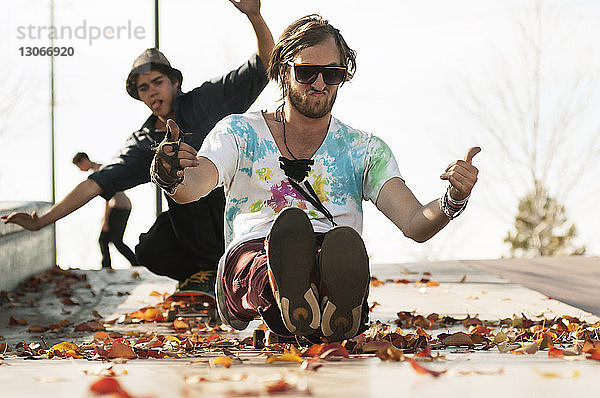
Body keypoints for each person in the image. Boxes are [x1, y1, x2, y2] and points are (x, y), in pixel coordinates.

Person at [153, 14, 481, 342]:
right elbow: (194, 187)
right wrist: (170, 175)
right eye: (307, 72)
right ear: (283, 70)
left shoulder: (363, 149)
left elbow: (414, 223)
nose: (320, 84)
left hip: (330, 253)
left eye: (332, 74)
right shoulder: (238, 132)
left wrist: (453, 199)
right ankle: (298, 306)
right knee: (274, 256)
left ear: (344, 76)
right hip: (254, 253)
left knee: (328, 254)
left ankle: (325, 309)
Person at [2, 0, 274, 297]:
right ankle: (202, 277)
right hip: (193, 228)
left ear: (175, 82)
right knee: (150, 247)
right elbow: (96, 182)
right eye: (144, 88)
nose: (152, 91)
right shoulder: (145, 141)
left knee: (185, 171)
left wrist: (255, 16)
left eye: (157, 82)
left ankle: (225, 268)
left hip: (233, 215)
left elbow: (264, 64)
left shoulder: (207, 101)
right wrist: (42, 220)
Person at [72, 152, 138, 269]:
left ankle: (129, 265)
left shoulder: (100, 172)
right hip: (120, 206)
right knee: (111, 240)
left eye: (79, 166)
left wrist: (105, 220)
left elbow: (107, 199)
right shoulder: (101, 168)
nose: (80, 170)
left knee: (109, 240)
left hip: (119, 206)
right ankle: (130, 264)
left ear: (83, 161)